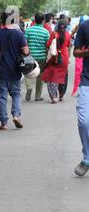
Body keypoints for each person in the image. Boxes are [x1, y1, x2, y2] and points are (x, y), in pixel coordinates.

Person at [0, 11, 30, 130]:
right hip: (15, 69)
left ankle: (4, 123)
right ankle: (16, 115)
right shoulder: (18, 33)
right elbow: (26, 51)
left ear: (1, 20)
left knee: (2, 96)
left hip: (1, 70)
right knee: (16, 94)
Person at [72, 19, 89, 176]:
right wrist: (86, 52)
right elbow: (75, 51)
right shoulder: (85, 26)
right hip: (87, 81)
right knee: (84, 121)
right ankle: (87, 158)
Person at [42, 19, 71, 104]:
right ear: (66, 27)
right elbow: (68, 45)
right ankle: (61, 95)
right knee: (63, 76)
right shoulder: (68, 35)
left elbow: (48, 44)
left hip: (55, 57)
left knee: (52, 76)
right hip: (64, 58)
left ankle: (54, 96)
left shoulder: (54, 34)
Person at [24, 13, 50, 102]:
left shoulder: (28, 30)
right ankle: (37, 96)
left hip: (30, 56)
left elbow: (24, 43)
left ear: (34, 20)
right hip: (41, 57)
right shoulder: (46, 32)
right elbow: (48, 45)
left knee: (27, 73)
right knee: (40, 76)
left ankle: (29, 88)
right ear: (43, 21)